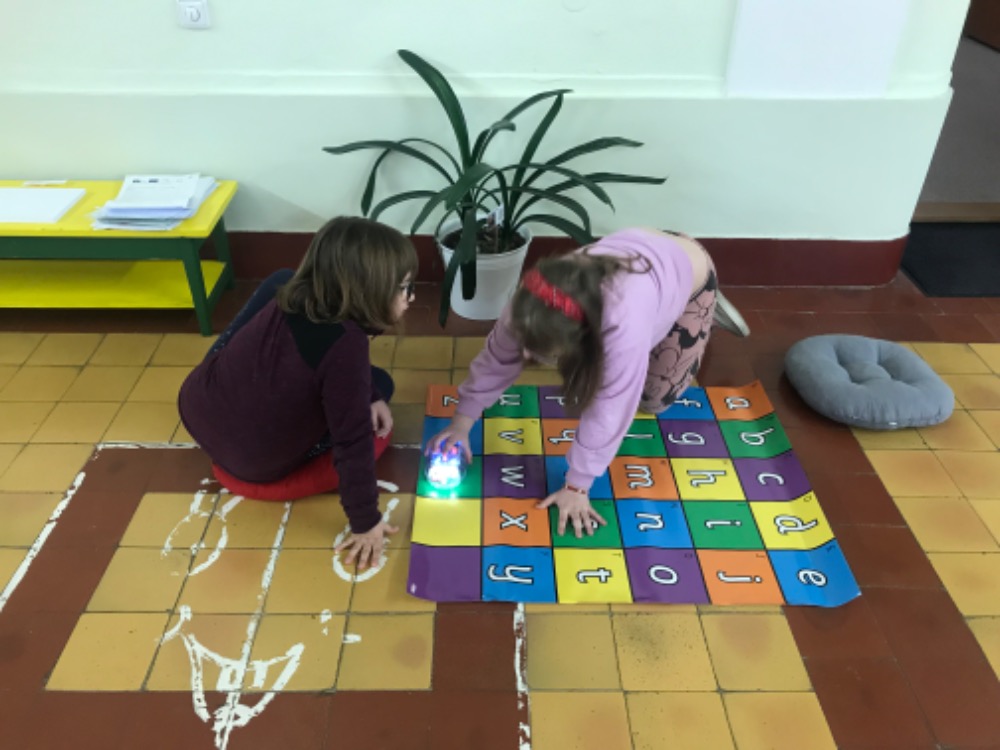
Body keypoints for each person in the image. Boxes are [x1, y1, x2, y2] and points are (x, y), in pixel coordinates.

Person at [426, 227, 749, 539]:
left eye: (539, 348)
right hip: (643, 256)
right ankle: (664, 313)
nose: (523, 354)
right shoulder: (530, 299)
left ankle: (702, 306)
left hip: (688, 267)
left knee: (652, 401)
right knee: (578, 358)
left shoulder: (622, 329)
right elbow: (496, 360)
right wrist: (460, 425)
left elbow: (611, 409)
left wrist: (577, 486)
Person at [178, 216, 418, 569]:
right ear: (371, 292)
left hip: (196, 406)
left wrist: (368, 392)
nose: (411, 298)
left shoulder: (293, 289)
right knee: (376, 410)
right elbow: (352, 443)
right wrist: (366, 523)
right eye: (404, 288)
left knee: (373, 383)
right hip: (255, 463)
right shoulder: (346, 345)